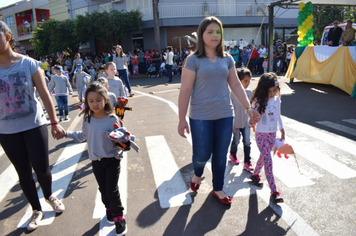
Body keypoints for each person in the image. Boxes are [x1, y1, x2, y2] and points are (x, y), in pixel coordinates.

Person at [178, 16, 260, 205]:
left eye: (218, 32)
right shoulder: (193, 60)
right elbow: (185, 90)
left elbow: (236, 86)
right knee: (201, 155)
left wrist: (248, 108)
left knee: (221, 154)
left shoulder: (227, 58)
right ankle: (198, 173)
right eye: (210, 31)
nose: (215, 35)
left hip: (225, 114)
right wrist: (182, 119)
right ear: (201, 34)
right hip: (200, 116)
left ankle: (218, 188)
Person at [0, 21, 66, 231]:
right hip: (7, 131)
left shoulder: (29, 63)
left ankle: (49, 196)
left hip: (33, 124)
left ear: (7, 37)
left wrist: (54, 122)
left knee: (42, 170)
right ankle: (36, 209)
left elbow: (45, 94)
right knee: (23, 173)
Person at [65, 82, 127, 236]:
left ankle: (119, 218)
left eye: (98, 100)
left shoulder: (112, 119)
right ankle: (109, 210)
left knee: (112, 190)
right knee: (103, 189)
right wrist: (65, 134)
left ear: (105, 99)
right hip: (96, 162)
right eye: (90, 101)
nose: (95, 104)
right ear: (86, 102)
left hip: (112, 160)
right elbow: (82, 136)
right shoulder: (87, 120)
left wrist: (124, 141)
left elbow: (123, 139)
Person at [249, 72, 285, 204]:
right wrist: (252, 121)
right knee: (268, 161)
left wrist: (282, 130)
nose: (272, 93)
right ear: (263, 90)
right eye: (269, 91)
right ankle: (274, 191)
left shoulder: (277, 100)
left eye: (274, 90)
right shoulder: (257, 101)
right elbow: (251, 118)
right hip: (261, 134)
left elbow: (278, 116)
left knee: (263, 157)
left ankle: (255, 174)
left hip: (272, 134)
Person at [229, 68, 254, 171]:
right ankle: (233, 154)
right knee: (236, 140)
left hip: (247, 123)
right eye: (245, 81)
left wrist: (253, 120)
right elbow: (231, 109)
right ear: (238, 81)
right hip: (237, 122)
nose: (247, 83)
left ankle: (247, 161)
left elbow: (252, 107)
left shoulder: (249, 93)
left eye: (249, 81)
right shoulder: (232, 94)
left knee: (247, 141)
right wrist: (232, 122)